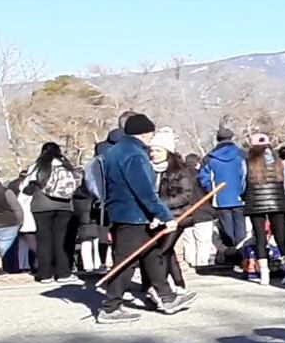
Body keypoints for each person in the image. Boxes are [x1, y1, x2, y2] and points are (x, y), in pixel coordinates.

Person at [96, 115, 196, 324]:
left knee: (151, 254)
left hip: (127, 212)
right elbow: (144, 191)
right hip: (132, 215)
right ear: (145, 132)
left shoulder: (115, 151)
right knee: (127, 262)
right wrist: (164, 216)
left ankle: (167, 298)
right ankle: (110, 307)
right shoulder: (134, 154)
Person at [22, 141, 80, 284]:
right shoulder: (66, 166)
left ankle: (45, 274)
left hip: (41, 206)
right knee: (61, 241)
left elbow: (24, 186)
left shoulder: (37, 166)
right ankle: (63, 273)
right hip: (64, 206)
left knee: (44, 240)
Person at [150, 132, 201, 292]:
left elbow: (186, 195)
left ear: (167, 151)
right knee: (168, 250)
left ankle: (162, 287)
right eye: (151, 150)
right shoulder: (149, 169)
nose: (153, 154)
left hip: (178, 216)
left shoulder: (179, 170)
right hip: (157, 217)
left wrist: (160, 205)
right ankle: (179, 284)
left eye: (158, 151)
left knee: (162, 250)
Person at [242, 134, 285, 285]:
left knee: (260, 238)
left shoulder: (247, 162)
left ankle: (264, 275)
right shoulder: (279, 162)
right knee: (281, 238)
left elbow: (243, 183)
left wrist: (245, 195)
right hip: (278, 202)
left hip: (255, 202)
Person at [195, 127, 249, 268]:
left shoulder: (209, 157)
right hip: (240, 197)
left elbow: (203, 178)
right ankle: (242, 255)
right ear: (232, 138)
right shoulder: (242, 155)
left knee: (226, 228)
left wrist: (211, 191)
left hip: (220, 198)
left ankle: (230, 255)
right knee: (241, 228)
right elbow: (247, 175)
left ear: (217, 139)